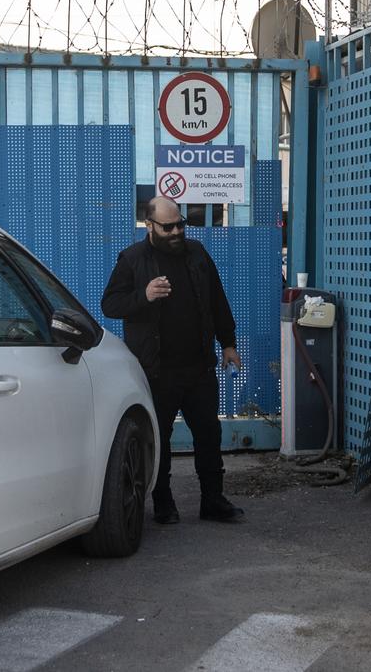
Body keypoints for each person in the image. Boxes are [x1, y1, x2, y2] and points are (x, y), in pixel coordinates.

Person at [102, 196, 245, 524]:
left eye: (180, 224)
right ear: (149, 226)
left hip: (199, 366)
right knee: (159, 439)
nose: (177, 232)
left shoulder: (197, 253)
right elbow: (110, 304)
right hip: (157, 370)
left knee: (208, 434)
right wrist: (144, 295)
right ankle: (163, 503)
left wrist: (228, 343)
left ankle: (213, 500)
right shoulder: (132, 259)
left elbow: (217, 300)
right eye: (168, 227)